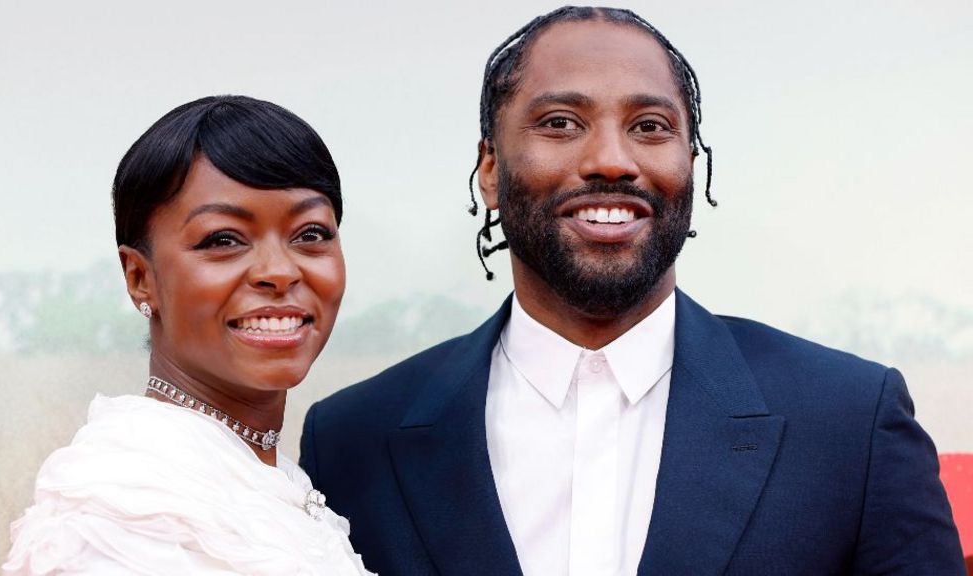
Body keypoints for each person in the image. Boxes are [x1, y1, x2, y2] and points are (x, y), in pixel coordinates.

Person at [299, 7, 965, 575]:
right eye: (560, 123)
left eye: (650, 126)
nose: (612, 160)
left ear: (690, 165)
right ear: (491, 171)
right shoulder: (355, 440)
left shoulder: (851, 423)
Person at [4, 96, 374, 575]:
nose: (279, 272)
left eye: (309, 233)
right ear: (140, 276)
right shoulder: (125, 511)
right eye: (223, 240)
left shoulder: (271, 479)